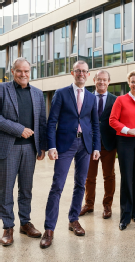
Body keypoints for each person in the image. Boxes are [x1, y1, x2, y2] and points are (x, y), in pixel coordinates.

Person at [40, 61, 101, 249]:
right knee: (57, 185)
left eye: (84, 71)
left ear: (89, 75)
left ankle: (73, 219)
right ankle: (49, 229)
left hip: (85, 145)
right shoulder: (61, 93)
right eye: (78, 71)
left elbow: (95, 125)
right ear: (72, 73)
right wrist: (51, 146)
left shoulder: (91, 97)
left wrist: (96, 146)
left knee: (80, 184)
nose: (81, 74)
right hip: (65, 144)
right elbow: (52, 122)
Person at [0, 58, 47, 246]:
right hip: (8, 147)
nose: (23, 74)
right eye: (19, 71)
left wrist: (41, 145)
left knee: (26, 189)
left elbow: (41, 122)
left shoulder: (37, 93)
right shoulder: (2, 89)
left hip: (30, 148)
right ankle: (8, 226)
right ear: (13, 72)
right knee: (5, 190)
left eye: (27, 71)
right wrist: (18, 129)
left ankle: (25, 223)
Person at [109, 70, 135, 231]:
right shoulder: (121, 100)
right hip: (125, 141)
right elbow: (113, 120)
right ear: (129, 83)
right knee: (127, 177)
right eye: (132, 82)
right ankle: (125, 216)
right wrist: (127, 130)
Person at [80, 70, 117, 219]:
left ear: (109, 82)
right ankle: (89, 204)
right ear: (94, 80)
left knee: (109, 176)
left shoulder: (116, 100)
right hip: (89, 144)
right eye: (99, 79)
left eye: (105, 80)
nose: (102, 82)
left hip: (108, 143)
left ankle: (107, 205)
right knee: (89, 177)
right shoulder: (86, 98)